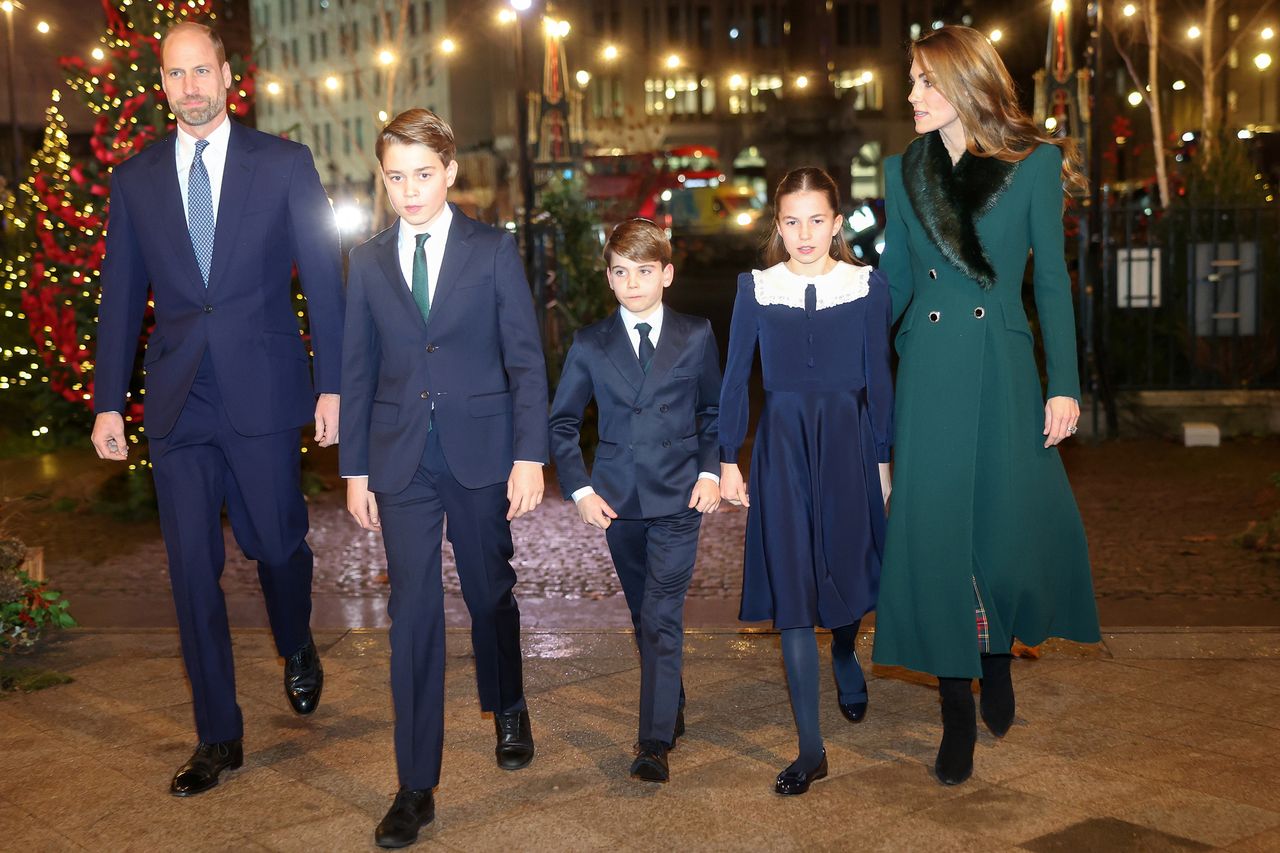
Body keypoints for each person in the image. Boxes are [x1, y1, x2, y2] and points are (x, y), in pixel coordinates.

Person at [91, 22, 343, 797]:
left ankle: (296, 639)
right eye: (177, 74)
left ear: (228, 74)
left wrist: (333, 384)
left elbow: (326, 282)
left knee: (276, 544)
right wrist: (108, 402)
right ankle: (217, 735)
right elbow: (121, 296)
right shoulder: (136, 182)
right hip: (179, 401)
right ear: (162, 83)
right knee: (191, 572)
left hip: (263, 392)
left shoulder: (283, 164)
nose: (191, 87)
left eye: (203, 70)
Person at [871, 25, 1102, 786]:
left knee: (1002, 526)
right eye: (910, 80)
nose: (910, 95)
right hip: (931, 368)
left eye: (923, 82)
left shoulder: (1035, 165)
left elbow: (1051, 284)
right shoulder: (904, 168)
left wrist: (1063, 381)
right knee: (935, 534)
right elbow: (898, 282)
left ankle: (996, 655)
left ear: (964, 84)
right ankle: (955, 709)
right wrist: (859, 352)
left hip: (1004, 365)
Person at [340, 108, 548, 849]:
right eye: (396, 177)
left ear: (451, 171)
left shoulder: (492, 251)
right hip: (400, 461)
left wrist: (530, 454)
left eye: (423, 174)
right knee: (414, 616)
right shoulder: (366, 260)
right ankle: (414, 784)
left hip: (481, 450)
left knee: (492, 590)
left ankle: (509, 701)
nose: (409, 189)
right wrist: (355, 468)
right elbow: (357, 369)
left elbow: (525, 358)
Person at [719, 168, 893, 796]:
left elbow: (880, 380)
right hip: (782, 450)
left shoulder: (869, 287)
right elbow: (735, 376)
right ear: (778, 226)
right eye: (791, 221)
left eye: (816, 219)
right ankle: (810, 750)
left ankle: (845, 652)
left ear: (837, 223)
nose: (804, 233)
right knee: (793, 586)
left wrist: (883, 461)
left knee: (846, 570)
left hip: (849, 446)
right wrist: (725, 458)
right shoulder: (757, 289)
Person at [548, 219, 722, 783]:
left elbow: (713, 412)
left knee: (661, 615)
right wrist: (579, 489)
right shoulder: (591, 343)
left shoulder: (695, 334)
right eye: (621, 272)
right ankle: (669, 696)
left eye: (644, 271)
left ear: (667, 274)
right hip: (618, 501)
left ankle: (652, 741)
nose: (632, 283)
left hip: (679, 499)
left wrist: (710, 472)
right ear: (609, 277)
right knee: (641, 613)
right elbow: (563, 423)